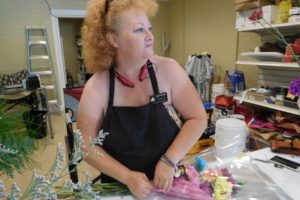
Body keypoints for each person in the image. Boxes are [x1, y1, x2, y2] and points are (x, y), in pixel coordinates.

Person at [77, 0, 207, 198]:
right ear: (113, 38)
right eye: (139, 30)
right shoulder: (96, 88)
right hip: (120, 188)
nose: (150, 37)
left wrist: (168, 160)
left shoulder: (169, 70)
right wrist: (127, 176)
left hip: (169, 182)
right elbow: (85, 145)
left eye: (150, 28)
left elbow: (198, 118)